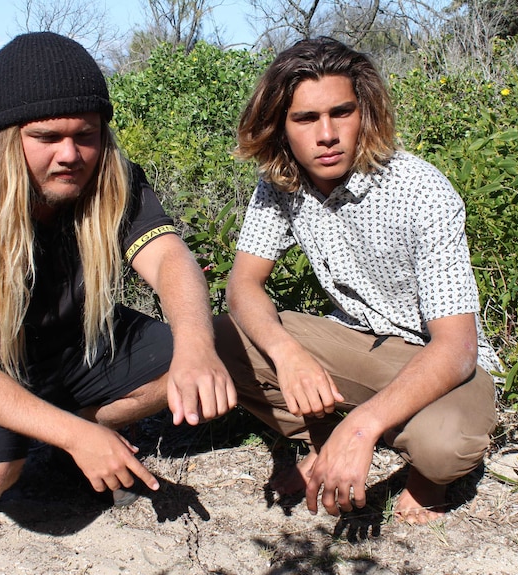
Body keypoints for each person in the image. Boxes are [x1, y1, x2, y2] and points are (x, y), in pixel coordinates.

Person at [0, 31, 236, 546]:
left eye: (86, 134)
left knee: (203, 345)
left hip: (56, 340)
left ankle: (66, 438)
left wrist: (197, 349)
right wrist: (77, 434)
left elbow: (167, 256)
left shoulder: (110, 178)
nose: (71, 154)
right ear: (6, 137)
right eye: (47, 137)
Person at [215, 37, 501, 524]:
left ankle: (412, 471)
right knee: (221, 338)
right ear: (281, 128)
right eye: (305, 119)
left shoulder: (420, 189)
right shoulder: (280, 182)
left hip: (432, 356)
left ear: (364, 114)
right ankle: (323, 444)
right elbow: (243, 286)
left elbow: (456, 347)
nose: (326, 134)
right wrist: (289, 357)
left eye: (340, 113)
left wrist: (364, 427)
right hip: (352, 342)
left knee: (443, 446)